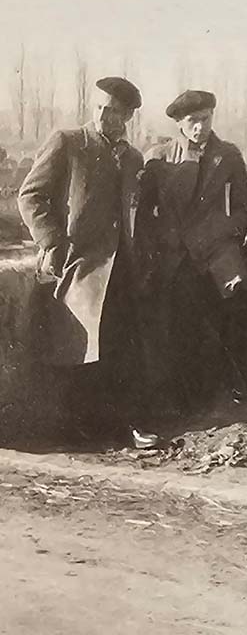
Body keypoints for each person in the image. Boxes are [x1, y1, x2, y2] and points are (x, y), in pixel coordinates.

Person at [18, 77, 155, 447]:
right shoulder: (68, 142)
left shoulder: (133, 157)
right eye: (99, 107)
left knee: (122, 348)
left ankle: (127, 426)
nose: (103, 115)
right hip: (76, 265)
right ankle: (77, 432)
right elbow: (31, 196)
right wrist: (52, 242)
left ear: (128, 116)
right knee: (76, 349)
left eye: (114, 111)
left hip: (119, 267)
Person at [138, 90, 247, 415]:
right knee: (181, 326)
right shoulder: (159, 158)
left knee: (233, 317)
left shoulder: (228, 155)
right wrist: (161, 241)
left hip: (218, 254)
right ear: (179, 122)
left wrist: (221, 233)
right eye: (192, 121)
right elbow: (144, 213)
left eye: (205, 119)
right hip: (175, 257)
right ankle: (187, 401)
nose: (200, 127)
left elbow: (245, 208)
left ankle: (237, 393)